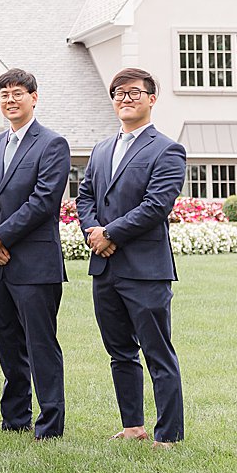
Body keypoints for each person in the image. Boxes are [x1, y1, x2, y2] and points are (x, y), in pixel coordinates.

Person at [77, 67, 188, 448]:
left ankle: (169, 435)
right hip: (104, 267)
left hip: (144, 269)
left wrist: (110, 233)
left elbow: (156, 205)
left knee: (158, 352)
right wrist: (94, 232)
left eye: (134, 93)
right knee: (119, 351)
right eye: (119, 93)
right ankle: (133, 426)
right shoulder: (101, 149)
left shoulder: (167, 149)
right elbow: (85, 198)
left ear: (151, 99)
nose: (126, 99)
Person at [0, 68, 71, 439]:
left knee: (41, 344)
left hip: (34, 264)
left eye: (17, 93)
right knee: (8, 343)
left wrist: (2, 238)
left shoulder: (52, 144)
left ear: (34, 97)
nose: (10, 100)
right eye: (3, 95)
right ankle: (15, 417)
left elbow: (43, 201)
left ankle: (50, 423)